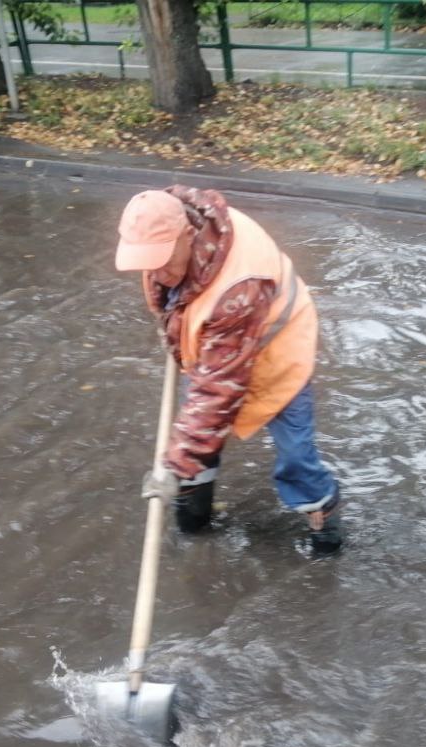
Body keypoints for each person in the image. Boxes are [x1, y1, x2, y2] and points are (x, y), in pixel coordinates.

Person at [113, 187, 341, 555]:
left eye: (164, 260)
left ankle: (325, 523)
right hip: (215, 350)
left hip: (277, 354)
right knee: (197, 437)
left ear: (188, 234)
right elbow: (176, 308)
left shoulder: (239, 285)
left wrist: (171, 467)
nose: (156, 271)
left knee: (295, 455)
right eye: (147, 262)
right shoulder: (163, 245)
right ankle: (194, 512)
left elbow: (218, 389)